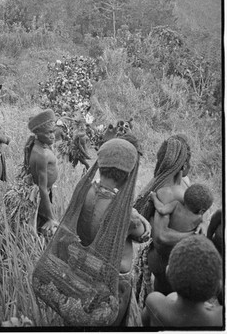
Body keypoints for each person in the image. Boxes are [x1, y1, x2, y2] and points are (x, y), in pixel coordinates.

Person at [76, 137, 151, 326]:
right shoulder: (125, 215)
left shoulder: (85, 191)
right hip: (116, 282)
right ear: (127, 174)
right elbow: (144, 234)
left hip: (88, 267)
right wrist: (137, 214)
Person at [134, 134, 197, 297]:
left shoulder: (177, 184)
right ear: (183, 165)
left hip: (167, 260)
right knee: (164, 305)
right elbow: (161, 235)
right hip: (165, 263)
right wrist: (194, 235)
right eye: (188, 161)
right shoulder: (167, 192)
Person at [142, 235, 223, 327]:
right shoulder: (219, 318)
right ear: (218, 287)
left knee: (171, 296)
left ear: (168, 273)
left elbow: (145, 321)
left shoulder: (154, 303)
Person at [27, 109, 60, 235]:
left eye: (53, 131)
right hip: (42, 196)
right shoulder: (41, 155)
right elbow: (42, 188)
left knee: (43, 223)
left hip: (46, 192)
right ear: (38, 133)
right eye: (49, 133)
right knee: (46, 226)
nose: (53, 135)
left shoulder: (43, 146)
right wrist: (51, 217)